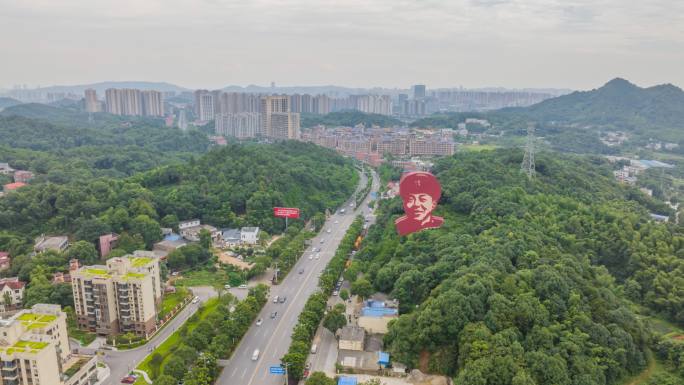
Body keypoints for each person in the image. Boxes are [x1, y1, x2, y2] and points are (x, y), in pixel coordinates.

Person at [394, 171, 444, 236]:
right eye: (410, 199)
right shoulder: (399, 225)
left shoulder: (440, 224)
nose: (416, 204)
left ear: (433, 204)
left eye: (423, 199)